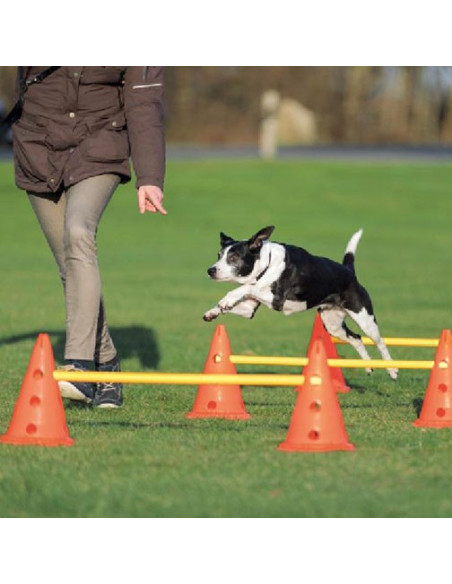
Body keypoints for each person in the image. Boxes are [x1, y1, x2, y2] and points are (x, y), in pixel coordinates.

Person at [11, 66, 167, 408]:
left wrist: (150, 176)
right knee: (70, 266)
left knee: (79, 231)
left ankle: (79, 367)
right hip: (38, 149)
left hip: (99, 146)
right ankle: (107, 363)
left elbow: (144, 104)